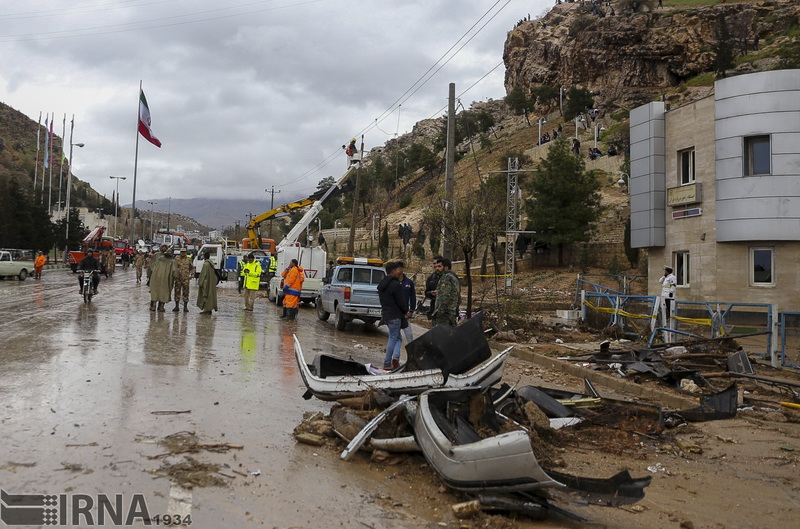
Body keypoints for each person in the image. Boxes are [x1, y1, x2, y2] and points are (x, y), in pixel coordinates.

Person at [377, 261, 408, 369]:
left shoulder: (382, 285)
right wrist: (406, 311)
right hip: (395, 315)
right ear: (393, 271)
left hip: (386, 315)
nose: (399, 271)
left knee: (397, 337)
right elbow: (401, 301)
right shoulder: (395, 284)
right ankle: (387, 363)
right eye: (397, 269)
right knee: (393, 338)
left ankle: (395, 358)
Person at [430, 257, 460, 327]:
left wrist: (439, 311)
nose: (437, 268)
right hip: (451, 313)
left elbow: (444, 296)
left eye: (439, 266)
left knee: (440, 336)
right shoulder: (454, 277)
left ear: (446, 268)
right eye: (436, 266)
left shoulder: (445, 277)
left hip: (444, 315)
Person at [148, 244, 176, 312]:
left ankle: (161, 306)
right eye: (162, 247)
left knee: (162, 292)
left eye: (165, 247)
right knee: (156, 291)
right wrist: (149, 276)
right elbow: (151, 266)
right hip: (157, 278)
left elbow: (174, 271)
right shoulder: (158, 257)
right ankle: (153, 305)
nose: (164, 248)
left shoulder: (171, 261)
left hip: (165, 279)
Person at [397, 262, 416, 344]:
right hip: (395, 313)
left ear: (402, 269)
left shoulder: (409, 282)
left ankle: (411, 352)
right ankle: (394, 354)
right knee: (395, 336)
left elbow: (413, 297)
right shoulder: (393, 282)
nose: (398, 271)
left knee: (409, 335)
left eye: (399, 268)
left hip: (405, 313)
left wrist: (411, 310)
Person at [196, 249, 219, 314]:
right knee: (210, 295)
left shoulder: (206, 264)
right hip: (210, 283)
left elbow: (203, 274)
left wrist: (200, 283)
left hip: (206, 283)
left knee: (205, 295)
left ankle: (206, 309)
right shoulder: (211, 264)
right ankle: (209, 309)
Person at [173, 248, 192, 312]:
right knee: (177, 292)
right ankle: (176, 306)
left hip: (185, 279)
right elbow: (173, 268)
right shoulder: (177, 259)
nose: (183, 253)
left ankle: (185, 307)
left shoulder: (189, 260)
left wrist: (191, 275)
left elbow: (192, 268)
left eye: (184, 252)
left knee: (186, 292)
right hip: (178, 279)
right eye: (182, 252)